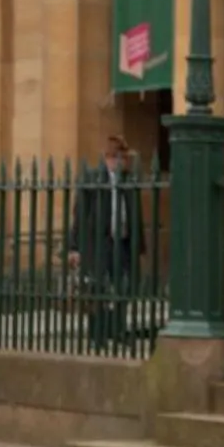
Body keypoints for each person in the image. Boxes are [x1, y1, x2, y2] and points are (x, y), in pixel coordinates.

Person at [66, 135, 145, 351]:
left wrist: (139, 246)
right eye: (117, 158)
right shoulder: (93, 178)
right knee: (97, 289)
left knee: (123, 289)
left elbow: (136, 214)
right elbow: (79, 214)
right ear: (107, 158)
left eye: (123, 158)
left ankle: (117, 330)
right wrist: (74, 247)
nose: (121, 163)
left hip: (124, 241)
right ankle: (97, 335)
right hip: (100, 243)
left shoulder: (129, 180)